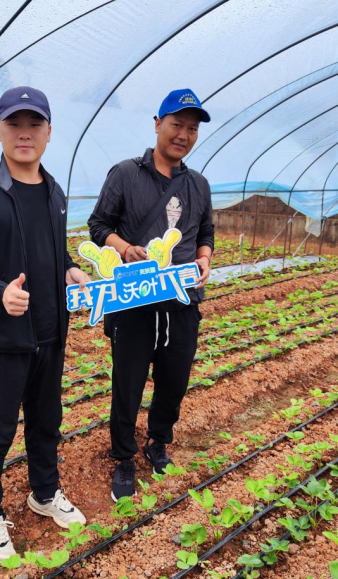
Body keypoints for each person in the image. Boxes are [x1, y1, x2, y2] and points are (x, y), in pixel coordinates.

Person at [0, 86, 89, 563]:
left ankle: (44, 493)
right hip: (5, 339)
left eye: (34, 125)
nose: (24, 134)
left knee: (47, 421)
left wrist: (70, 269)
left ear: (49, 133)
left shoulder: (54, 192)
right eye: (14, 124)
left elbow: (55, 251)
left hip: (51, 332)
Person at [87, 88, 215, 501]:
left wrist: (205, 258)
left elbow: (206, 231)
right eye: (177, 124)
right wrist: (123, 248)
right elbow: (98, 224)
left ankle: (158, 442)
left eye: (191, 129)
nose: (183, 134)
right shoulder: (125, 173)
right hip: (134, 300)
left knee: (174, 379)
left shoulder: (198, 185)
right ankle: (124, 457)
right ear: (158, 124)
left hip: (181, 300)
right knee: (128, 382)